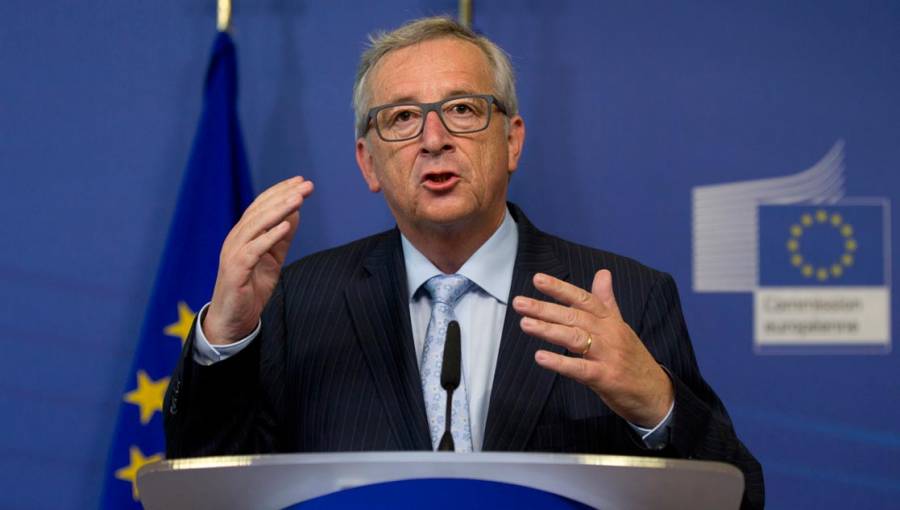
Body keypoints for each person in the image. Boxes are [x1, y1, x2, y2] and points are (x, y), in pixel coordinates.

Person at [164, 16, 763, 508]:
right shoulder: (299, 303)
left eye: (463, 109)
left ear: (512, 141)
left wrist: (656, 404)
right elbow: (205, 492)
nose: (433, 139)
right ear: (368, 163)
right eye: (402, 118)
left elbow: (739, 497)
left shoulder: (628, 296)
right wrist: (228, 333)